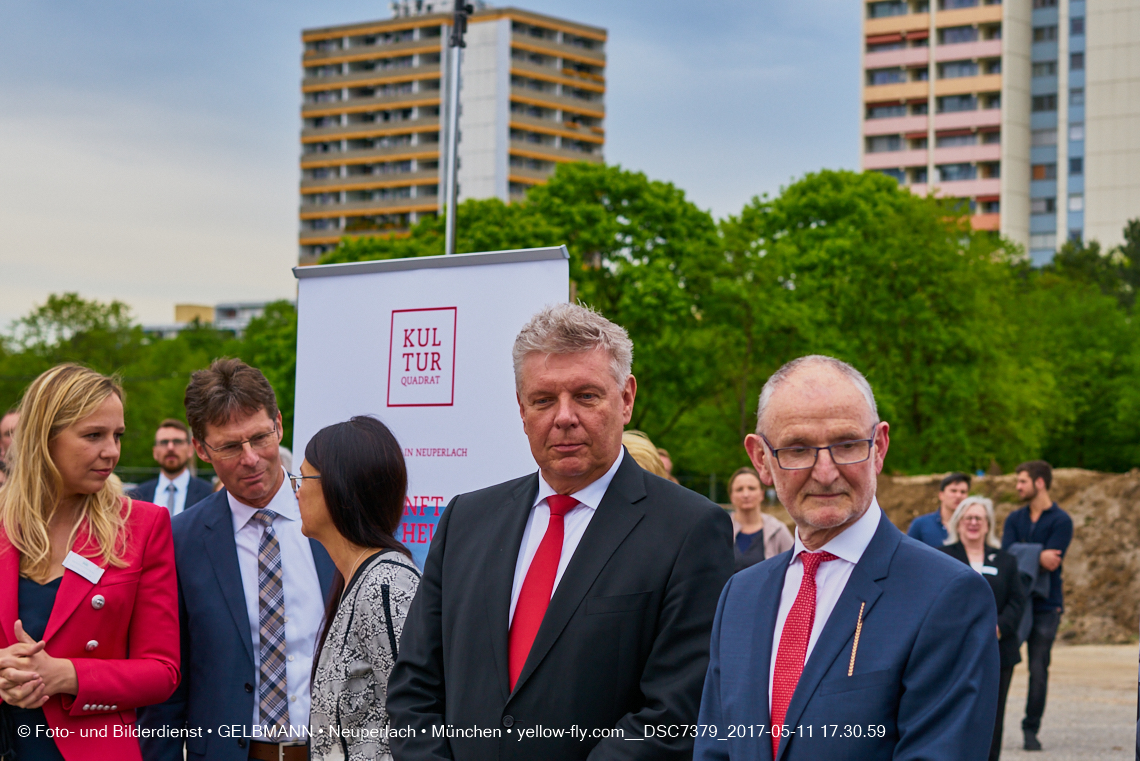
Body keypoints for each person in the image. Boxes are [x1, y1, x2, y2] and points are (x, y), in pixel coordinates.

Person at [387, 303, 735, 760]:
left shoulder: (690, 529)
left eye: (586, 396)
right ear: (522, 408)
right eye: (544, 399)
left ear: (626, 398)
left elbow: (675, 715)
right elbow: (414, 690)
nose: (564, 417)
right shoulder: (465, 521)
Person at [695, 355, 999, 761]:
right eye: (798, 449)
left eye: (847, 445)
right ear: (761, 460)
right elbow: (715, 749)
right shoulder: (740, 597)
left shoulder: (948, 597)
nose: (825, 472)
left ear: (879, 447)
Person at [137, 359, 336, 761]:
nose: (251, 458)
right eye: (229, 446)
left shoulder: (338, 518)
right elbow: (166, 687)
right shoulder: (180, 540)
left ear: (279, 424)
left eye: (261, 438)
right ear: (201, 449)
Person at [0, 364, 179, 760]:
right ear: (44, 438)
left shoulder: (142, 526)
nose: (112, 451)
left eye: (117, 435)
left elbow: (163, 671)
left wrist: (67, 675)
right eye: (93, 435)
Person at [298, 417, 421, 761]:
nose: (297, 489)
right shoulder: (357, 579)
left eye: (303, 477)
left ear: (339, 487)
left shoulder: (387, 585)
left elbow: (418, 719)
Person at [941, 496, 1026, 761]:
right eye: (968, 518)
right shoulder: (942, 557)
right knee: (955, 712)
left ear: (988, 525)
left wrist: (998, 628)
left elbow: (1017, 601)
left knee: (992, 714)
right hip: (955, 651)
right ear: (959, 523)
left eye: (979, 518)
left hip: (999, 652)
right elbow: (937, 599)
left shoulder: (1006, 561)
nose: (974, 523)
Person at [1000, 460, 1072, 752]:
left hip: (1047, 605)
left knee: (1039, 669)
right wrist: (1038, 554)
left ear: (1039, 482)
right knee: (1005, 665)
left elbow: (1053, 560)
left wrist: (1026, 553)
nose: (1017, 487)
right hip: (1016, 602)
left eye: (1022, 481)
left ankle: (1031, 730)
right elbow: (1006, 555)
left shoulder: (1061, 520)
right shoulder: (1014, 518)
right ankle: (994, 730)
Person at [126, 419, 213, 516]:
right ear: (155, 452)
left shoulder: (210, 495)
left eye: (177, 441)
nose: (170, 447)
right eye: (164, 442)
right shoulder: (135, 497)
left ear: (190, 450)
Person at [728, 466, 793, 572]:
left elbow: (795, 566)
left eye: (751, 488)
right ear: (731, 496)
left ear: (762, 494)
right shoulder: (722, 528)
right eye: (739, 489)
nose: (746, 494)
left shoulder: (777, 530)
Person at [906, 472, 970, 548]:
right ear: (941, 495)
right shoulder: (920, 524)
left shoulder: (972, 526)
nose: (958, 495)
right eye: (953, 491)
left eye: (963, 492)